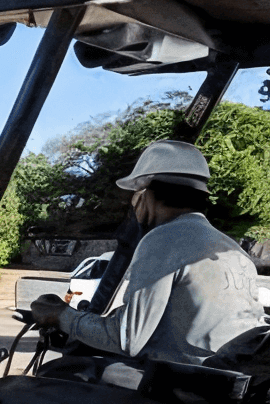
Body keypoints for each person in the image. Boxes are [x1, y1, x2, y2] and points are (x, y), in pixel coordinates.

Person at [30, 140, 266, 366]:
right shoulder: (233, 250)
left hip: (183, 384)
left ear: (145, 194)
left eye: (134, 195)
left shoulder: (164, 238)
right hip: (225, 383)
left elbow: (127, 339)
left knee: (66, 373)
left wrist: (61, 315)